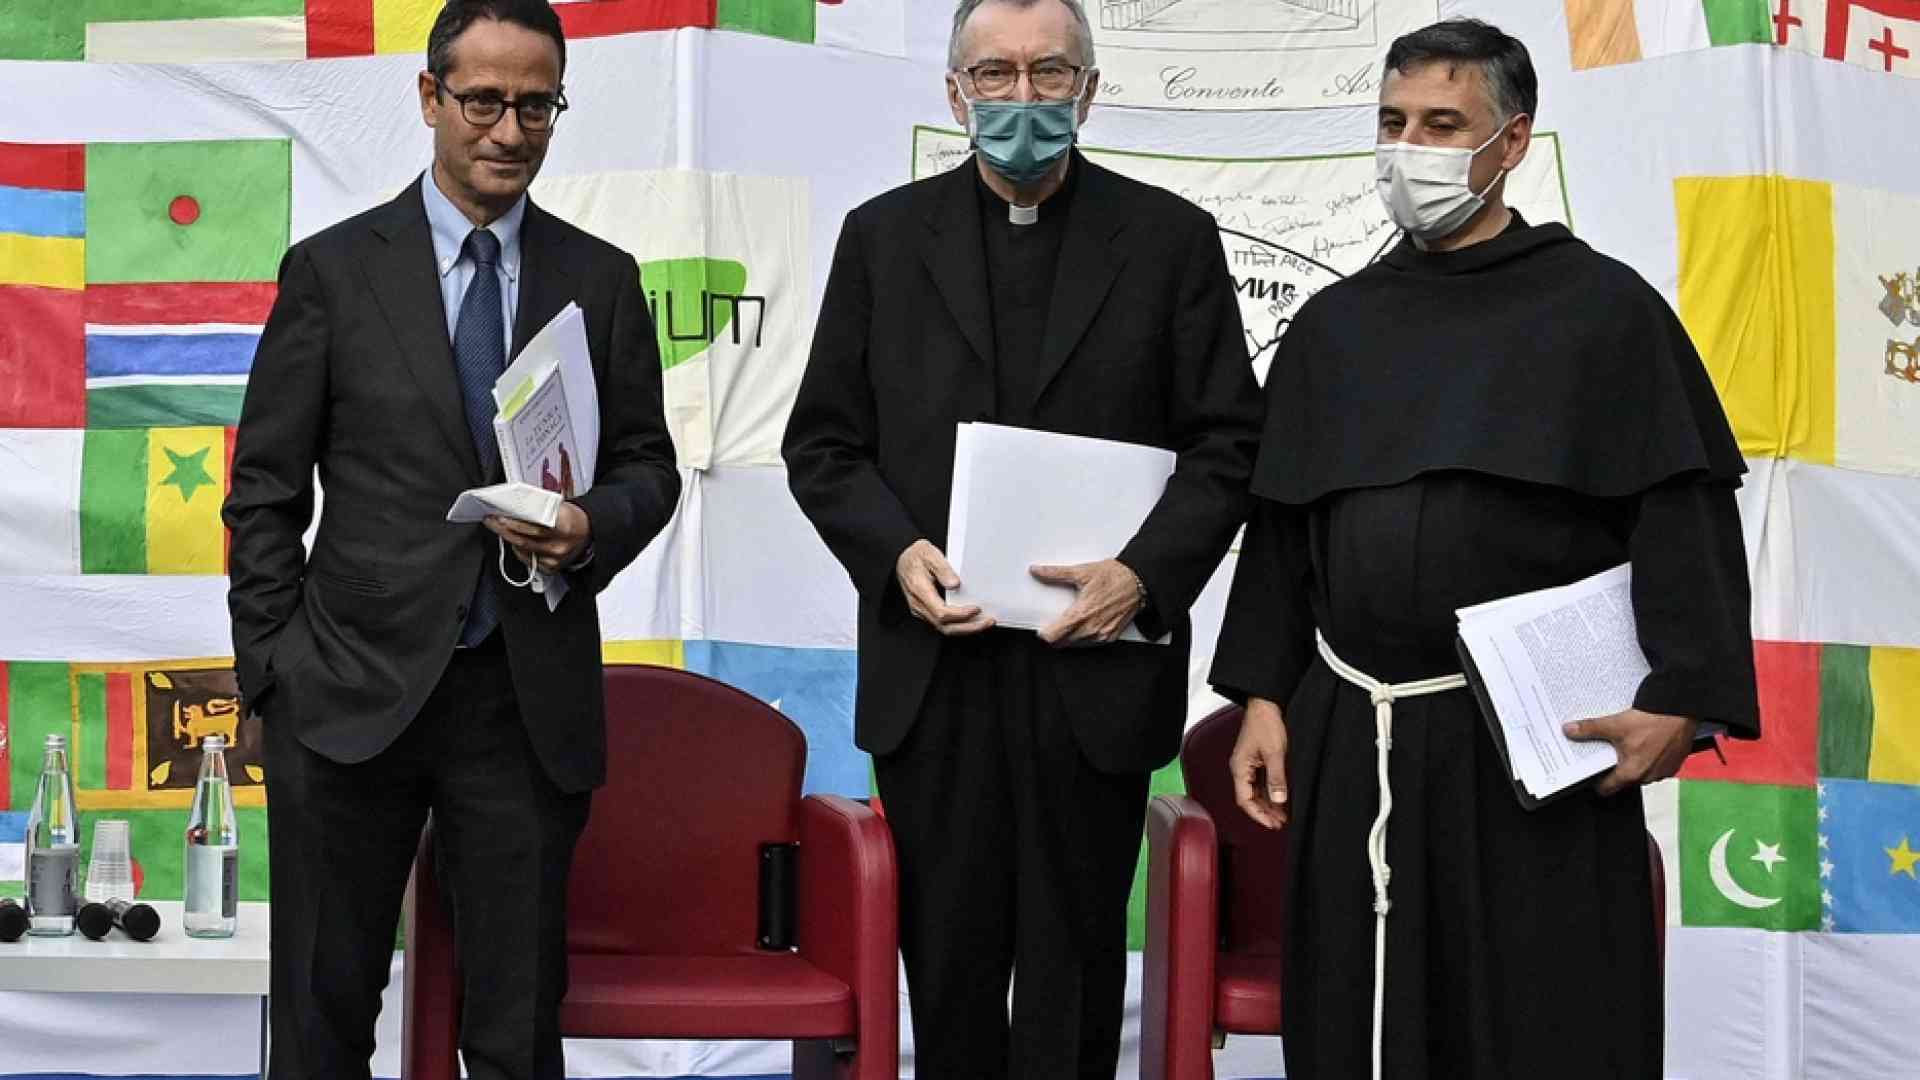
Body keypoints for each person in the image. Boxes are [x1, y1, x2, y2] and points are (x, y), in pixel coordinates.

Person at [1209, 19, 1760, 1080]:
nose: (1408, 149)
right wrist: (1262, 696)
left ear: (1511, 142)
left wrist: (1684, 696)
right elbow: (1282, 531)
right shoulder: (1333, 327)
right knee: (1360, 1017)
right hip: (1355, 726)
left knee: (1537, 1020)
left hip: (1535, 739)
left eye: (1441, 125)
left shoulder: (1605, 312)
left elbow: (1683, 514)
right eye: (1393, 122)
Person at [781, 0, 1261, 1074]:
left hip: (1095, 673)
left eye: (1050, 73)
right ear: (955, 95)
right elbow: (824, 445)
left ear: (1089, 91)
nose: (1023, 97)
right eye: (995, 75)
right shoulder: (883, 239)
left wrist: (1143, 576)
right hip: (935, 674)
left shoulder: (1169, 240)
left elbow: (1230, 443)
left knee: (1076, 975)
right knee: (947, 969)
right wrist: (895, 553)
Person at [223, 2, 679, 1076]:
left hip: (523, 703)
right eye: (482, 102)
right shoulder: (332, 271)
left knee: (515, 1035)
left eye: (536, 106)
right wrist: (275, 672)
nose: (509, 131)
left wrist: (590, 527)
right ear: (430, 97)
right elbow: (265, 492)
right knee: (322, 1026)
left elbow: (649, 468)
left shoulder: (602, 278)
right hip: (345, 699)